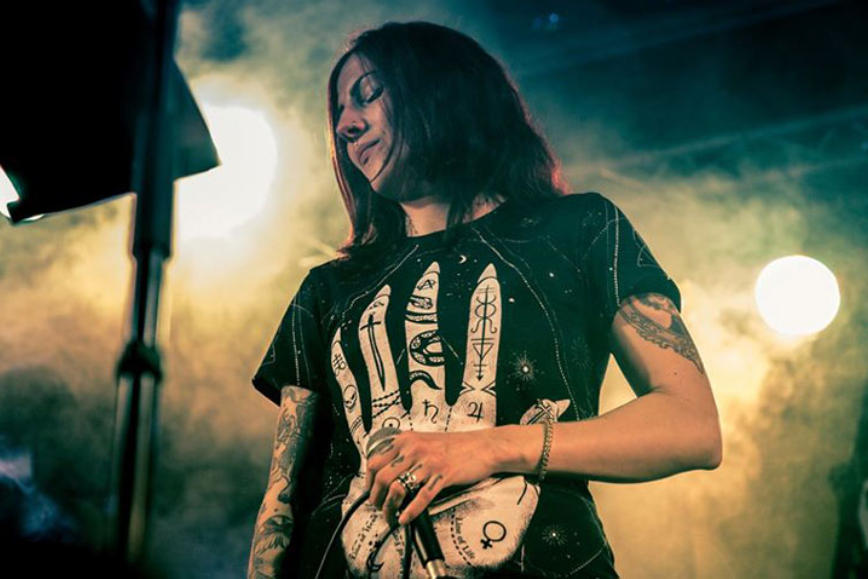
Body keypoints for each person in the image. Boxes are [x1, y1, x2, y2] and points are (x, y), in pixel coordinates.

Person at [247, 21, 721, 579]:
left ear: (442, 88)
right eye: (339, 114)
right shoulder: (327, 289)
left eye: (368, 94)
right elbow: (280, 505)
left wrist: (488, 448)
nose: (346, 126)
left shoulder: (580, 229)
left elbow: (692, 426)